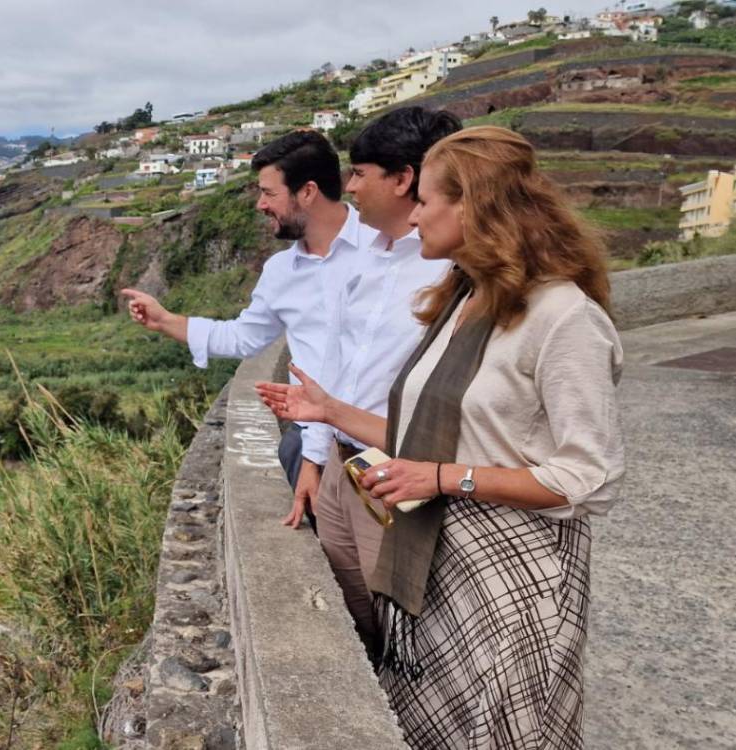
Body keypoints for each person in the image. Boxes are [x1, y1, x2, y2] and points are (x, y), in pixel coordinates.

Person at [257, 126, 623, 747]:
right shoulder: (462, 303)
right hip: (440, 568)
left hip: (515, 584)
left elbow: (591, 477)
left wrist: (444, 478)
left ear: (474, 205)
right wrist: (330, 411)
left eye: (426, 202)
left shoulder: (563, 318)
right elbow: (415, 435)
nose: (415, 215)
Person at [122, 129, 379, 514]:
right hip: (309, 441)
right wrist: (166, 321)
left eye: (269, 193)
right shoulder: (280, 270)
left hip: (381, 441)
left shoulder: (386, 247)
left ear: (307, 192)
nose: (260, 204)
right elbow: (244, 337)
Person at [303, 106, 461, 660]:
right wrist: (312, 459)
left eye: (360, 173)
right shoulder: (363, 258)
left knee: (402, 622)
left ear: (403, 179)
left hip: (401, 473)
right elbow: (335, 361)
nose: (349, 188)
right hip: (343, 467)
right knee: (350, 609)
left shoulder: (453, 270)